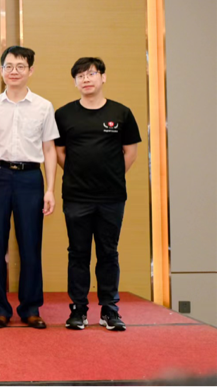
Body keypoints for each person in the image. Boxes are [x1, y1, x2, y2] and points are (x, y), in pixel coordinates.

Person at [55, 57, 140, 332]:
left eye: (91, 73)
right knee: (77, 253)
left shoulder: (121, 112)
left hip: (111, 197)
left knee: (108, 253)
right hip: (76, 196)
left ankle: (109, 309)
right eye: (80, 75)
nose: (86, 79)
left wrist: (110, 175)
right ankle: (78, 309)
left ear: (103, 77)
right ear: (75, 82)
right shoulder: (64, 114)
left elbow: (130, 152)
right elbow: (59, 152)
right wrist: (79, 174)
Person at [0, 46, 59, 329]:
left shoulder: (43, 106)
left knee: (30, 244)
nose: (14, 71)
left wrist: (50, 189)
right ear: (1, 71)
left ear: (30, 70)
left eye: (20, 66)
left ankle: (30, 308)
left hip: (30, 178)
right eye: (8, 66)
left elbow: (49, 149)